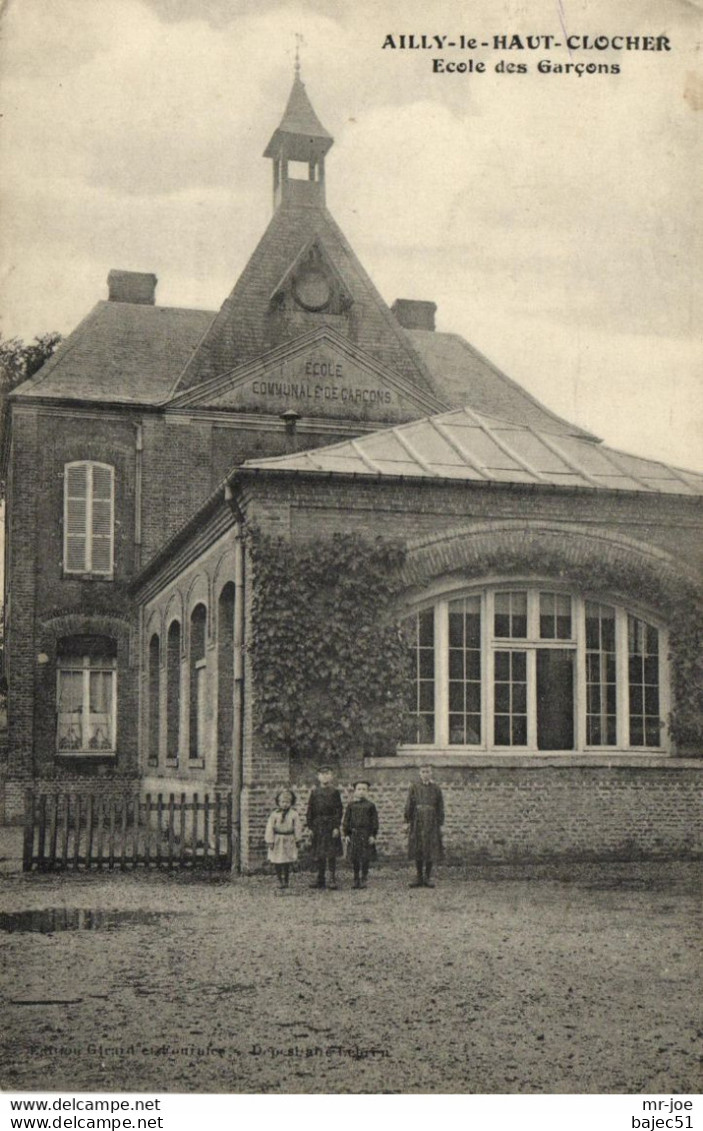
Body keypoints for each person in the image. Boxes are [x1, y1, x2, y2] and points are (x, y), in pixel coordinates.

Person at [404, 764, 444, 888]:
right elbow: (409, 804)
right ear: (420, 773)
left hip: (432, 821)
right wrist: (407, 821)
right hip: (418, 820)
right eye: (423, 771)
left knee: (430, 847)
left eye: (428, 772)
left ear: (431, 773)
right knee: (418, 846)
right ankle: (419, 876)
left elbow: (440, 806)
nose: (425, 774)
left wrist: (440, 822)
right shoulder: (414, 787)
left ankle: (428, 877)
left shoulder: (436, 788)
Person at [306, 766, 344, 889]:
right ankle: (320, 878)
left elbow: (339, 811)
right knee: (319, 853)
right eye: (322, 774)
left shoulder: (334, 792)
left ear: (331, 776)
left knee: (331, 852)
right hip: (318, 825)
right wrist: (310, 827)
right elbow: (310, 810)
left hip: (330, 825)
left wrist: (336, 827)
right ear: (318, 777)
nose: (325, 776)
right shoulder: (314, 792)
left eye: (327, 774)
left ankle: (332, 879)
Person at [342, 780, 379, 889]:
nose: (361, 792)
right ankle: (356, 878)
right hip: (354, 834)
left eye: (364, 789)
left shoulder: (371, 806)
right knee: (355, 858)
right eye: (359, 789)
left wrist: (373, 835)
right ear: (354, 791)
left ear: (367, 791)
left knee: (365, 857)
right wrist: (346, 834)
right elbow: (346, 820)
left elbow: (374, 821)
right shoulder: (351, 805)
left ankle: (364, 878)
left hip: (366, 834)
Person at [264, 788, 303, 891]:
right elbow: (270, 828)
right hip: (278, 840)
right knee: (278, 860)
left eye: (287, 802)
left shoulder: (294, 814)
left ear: (291, 802)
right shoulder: (274, 814)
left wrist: (298, 839)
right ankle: (279, 879)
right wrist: (270, 841)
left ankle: (286, 879)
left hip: (288, 839)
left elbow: (297, 827)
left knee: (286, 860)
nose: (285, 804)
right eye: (282, 802)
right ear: (278, 802)